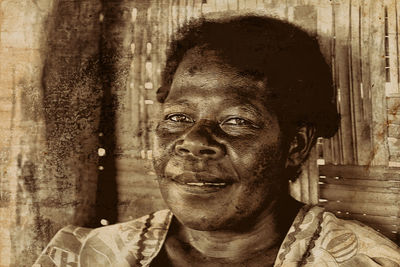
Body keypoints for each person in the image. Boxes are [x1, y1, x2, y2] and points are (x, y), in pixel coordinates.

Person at [34, 15, 400, 267]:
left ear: (296, 146)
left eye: (237, 121)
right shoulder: (88, 256)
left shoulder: (357, 260)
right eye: (178, 117)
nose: (193, 142)